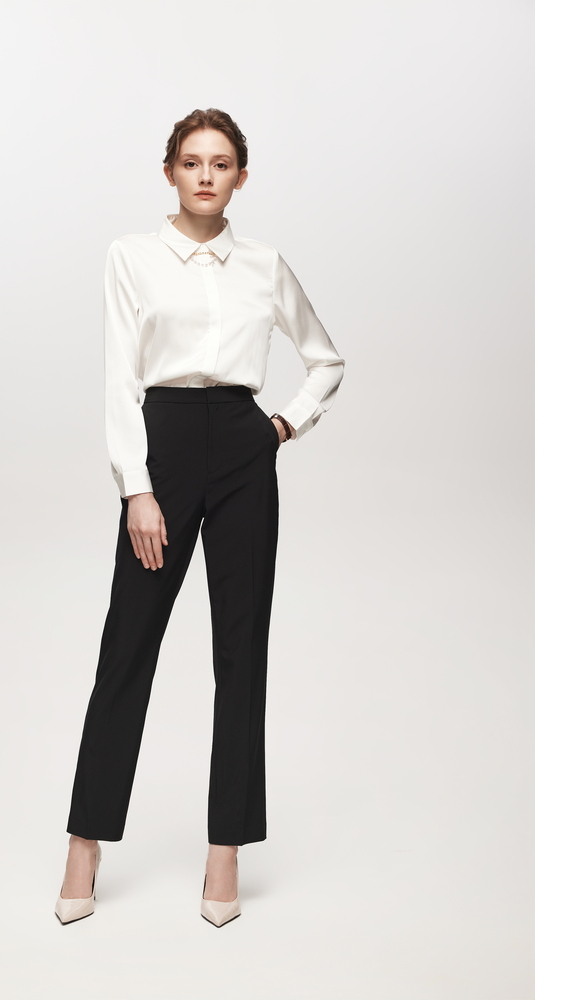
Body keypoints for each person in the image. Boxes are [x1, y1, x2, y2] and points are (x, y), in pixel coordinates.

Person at [55, 108, 344, 927]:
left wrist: (282, 426)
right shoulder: (132, 257)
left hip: (244, 449)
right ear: (171, 172)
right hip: (166, 442)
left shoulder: (263, 264)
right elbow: (120, 378)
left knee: (241, 651)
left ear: (241, 177)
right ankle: (85, 841)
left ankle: (226, 849)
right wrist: (136, 488)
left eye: (221, 163)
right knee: (129, 643)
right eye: (192, 162)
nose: (206, 175)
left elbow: (325, 359)